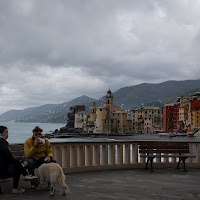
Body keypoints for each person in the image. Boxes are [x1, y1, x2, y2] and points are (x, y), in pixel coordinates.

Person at [0, 126, 37, 194]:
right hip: (3, 170)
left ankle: (26, 175)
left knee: (17, 163)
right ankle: (17, 186)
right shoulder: (2, 143)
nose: (7, 134)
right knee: (17, 164)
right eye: (6, 132)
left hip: (2, 167)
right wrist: (17, 161)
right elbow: (8, 157)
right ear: (1, 133)